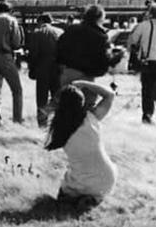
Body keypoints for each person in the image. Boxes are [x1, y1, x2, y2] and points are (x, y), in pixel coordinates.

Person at [45, 80, 117, 208]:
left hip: (81, 182)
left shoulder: (58, 129)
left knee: (65, 190)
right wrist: (83, 83)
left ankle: (79, 198)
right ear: (82, 103)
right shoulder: (92, 118)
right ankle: (93, 199)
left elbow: (49, 109)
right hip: (108, 178)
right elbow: (110, 94)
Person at [128, 3, 156, 123]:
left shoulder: (144, 25)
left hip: (151, 63)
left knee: (148, 92)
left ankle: (147, 117)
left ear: (150, 13)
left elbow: (133, 40)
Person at [56, 5, 112, 87]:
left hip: (68, 72)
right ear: (100, 18)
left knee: (66, 98)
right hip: (87, 75)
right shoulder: (100, 36)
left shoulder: (71, 29)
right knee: (86, 99)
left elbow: (59, 48)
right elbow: (104, 59)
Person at [26, 13, 63, 127]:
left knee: (42, 97)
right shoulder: (60, 32)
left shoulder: (37, 33)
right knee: (57, 96)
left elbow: (33, 54)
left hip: (43, 66)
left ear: (40, 21)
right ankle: (58, 122)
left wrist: (32, 69)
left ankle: (42, 124)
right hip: (58, 67)